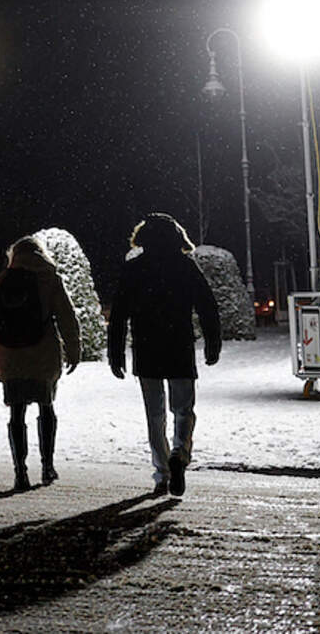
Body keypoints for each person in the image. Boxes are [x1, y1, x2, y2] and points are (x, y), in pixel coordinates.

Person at [108, 212, 222, 498]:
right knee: (183, 409)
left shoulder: (134, 269)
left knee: (155, 415)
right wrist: (213, 342)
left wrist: (115, 352)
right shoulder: (185, 266)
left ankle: (162, 473)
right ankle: (180, 452)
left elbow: (119, 313)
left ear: (142, 238)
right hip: (179, 345)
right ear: (176, 237)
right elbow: (207, 306)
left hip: (147, 347)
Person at [0, 236, 82, 492]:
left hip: (11, 355)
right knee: (46, 407)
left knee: (16, 413)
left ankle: (20, 472)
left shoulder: (4, 278)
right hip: (43, 354)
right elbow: (67, 317)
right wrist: (73, 349)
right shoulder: (50, 278)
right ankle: (47, 466)